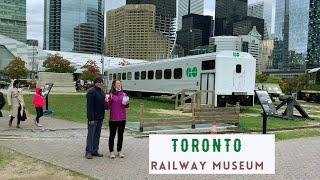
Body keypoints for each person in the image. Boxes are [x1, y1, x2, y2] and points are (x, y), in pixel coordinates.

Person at [106, 80, 129, 159]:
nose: (119, 84)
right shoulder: (111, 95)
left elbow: (126, 106)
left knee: (120, 135)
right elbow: (107, 106)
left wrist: (127, 103)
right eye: (117, 83)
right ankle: (111, 152)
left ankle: (119, 151)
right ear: (114, 85)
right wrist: (106, 101)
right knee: (112, 136)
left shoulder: (124, 94)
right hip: (113, 119)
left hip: (122, 118)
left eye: (120, 83)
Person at [85, 76, 106, 159]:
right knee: (91, 135)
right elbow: (90, 107)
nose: (101, 83)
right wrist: (91, 119)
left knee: (97, 135)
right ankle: (88, 152)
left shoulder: (102, 92)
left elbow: (103, 104)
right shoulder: (91, 92)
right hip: (93, 118)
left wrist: (107, 104)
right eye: (99, 82)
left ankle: (95, 151)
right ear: (95, 83)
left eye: (102, 82)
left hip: (100, 117)